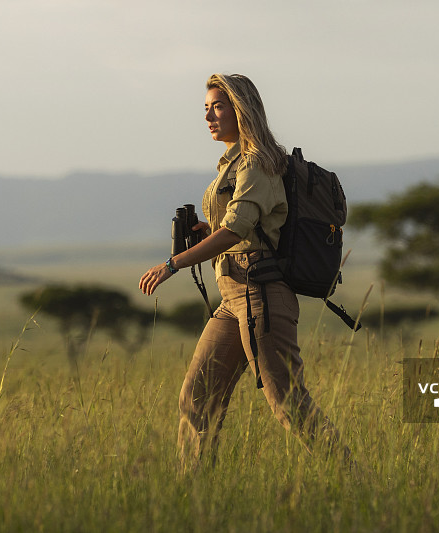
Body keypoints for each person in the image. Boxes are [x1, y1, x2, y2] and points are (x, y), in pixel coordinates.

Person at [139, 73, 348, 470]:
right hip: (232, 297)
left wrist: (173, 264)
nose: (208, 117)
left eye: (217, 107)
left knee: (288, 403)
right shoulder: (232, 163)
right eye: (206, 108)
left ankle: (355, 483)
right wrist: (208, 232)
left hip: (261, 294)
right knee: (196, 397)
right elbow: (236, 230)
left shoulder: (258, 163)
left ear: (242, 110)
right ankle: (192, 498)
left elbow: (237, 230)